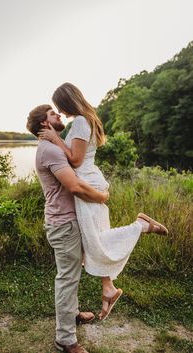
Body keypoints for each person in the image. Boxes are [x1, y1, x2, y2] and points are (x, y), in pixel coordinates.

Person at [38, 82, 169, 322]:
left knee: (96, 239)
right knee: (93, 238)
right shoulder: (88, 118)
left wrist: (55, 138)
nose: (62, 113)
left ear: (68, 101)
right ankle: (108, 288)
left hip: (86, 182)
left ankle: (140, 225)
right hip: (91, 179)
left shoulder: (79, 121)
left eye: (61, 107)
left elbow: (76, 160)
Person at [26, 104, 110, 353]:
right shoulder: (50, 150)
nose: (59, 115)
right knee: (67, 279)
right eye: (53, 114)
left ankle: (72, 315)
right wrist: (102, 197)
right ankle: (65, 339)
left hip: (70, 221)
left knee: (71, 275)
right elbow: (74, 186)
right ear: (44, 123)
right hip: (63, 224)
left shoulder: (55, 146)